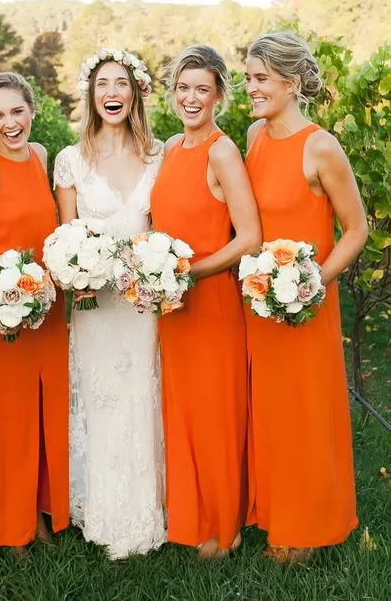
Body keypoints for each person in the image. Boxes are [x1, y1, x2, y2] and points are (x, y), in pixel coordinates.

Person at [244, 31, 368, 563]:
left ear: (292, 83)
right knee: (270, 410)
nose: (250, 88)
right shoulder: (253, 136)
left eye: (260, 79)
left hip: (306, 303)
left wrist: (313, 283)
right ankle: (276, 511)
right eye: (248, 77)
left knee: (305, 411)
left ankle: (310, 526)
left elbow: (356, 229)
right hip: (259, 300)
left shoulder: (321, 145)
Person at [54, 48, 166, 559]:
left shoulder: (160, 154)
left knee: (142, 398)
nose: (112, 93)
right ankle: (97, 507)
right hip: (95, 306)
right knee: (98, 399)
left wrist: (156, 270)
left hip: (143, 305)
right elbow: (66, 237)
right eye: (103, 85)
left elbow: (165, 229)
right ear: (91, 95)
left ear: (136, 91)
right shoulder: (71, 160)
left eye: (121, 83)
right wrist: (79, 271)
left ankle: (147, 507)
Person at [150, 45, 261, 559]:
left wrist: (191, 271)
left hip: (211, 300)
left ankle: (227, 524)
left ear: (219, 94)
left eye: (202, 89)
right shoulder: (172, 147)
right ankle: (192, 517)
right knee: (185, 411)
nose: (191, 98)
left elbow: (250, 237)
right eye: (183, 88)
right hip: (172, 307)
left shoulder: (221, 150)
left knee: (216, 413)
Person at [0, 72, 68, 555]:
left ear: (32, 109)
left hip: (47, 305)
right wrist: (5, 300)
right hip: (4, 311)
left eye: (17, 111)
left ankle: (37, 512)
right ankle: (5, 525)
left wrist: (42, 292)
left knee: (42, 412)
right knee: (6, 418)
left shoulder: (41, 155)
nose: (10, 124)